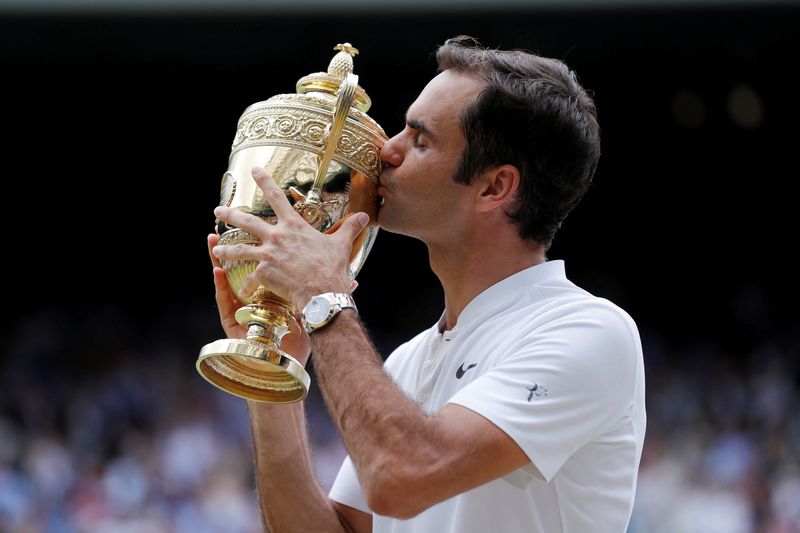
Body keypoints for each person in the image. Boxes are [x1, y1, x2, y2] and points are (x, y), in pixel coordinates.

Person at [208, 35, 646, 533]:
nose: (385, 150)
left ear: (494, 187)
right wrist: (273, 364)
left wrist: (323, 299)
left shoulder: (588, 331)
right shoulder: (411, 358)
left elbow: (400, 477)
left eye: (420, 140)